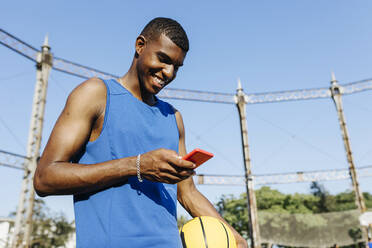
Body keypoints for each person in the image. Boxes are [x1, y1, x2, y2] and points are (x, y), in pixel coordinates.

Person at [34, 17, 248, 248]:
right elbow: (45, 178)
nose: (168, 72)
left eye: (177, 66)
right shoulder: (96, 94)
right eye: (163, 59)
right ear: (140, 45)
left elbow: (187, 193)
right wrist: (137, 166)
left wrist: (236, 238)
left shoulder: (173, 118)